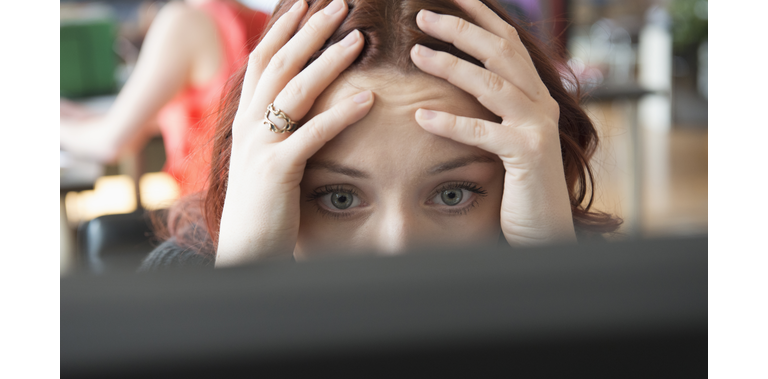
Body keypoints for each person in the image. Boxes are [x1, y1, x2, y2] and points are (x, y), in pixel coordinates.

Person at [139, 0, 621, 271]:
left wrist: (551, 274)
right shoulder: (181, 287)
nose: (399, 248)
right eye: (340, 198)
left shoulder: (585, 276)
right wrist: (245, 292)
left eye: (452, 195)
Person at [60, 0, 270, 196]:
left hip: (207, 215)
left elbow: (110, 143)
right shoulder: (266, 20)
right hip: (255, 208)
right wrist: (75, 115)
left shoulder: (182, 22)